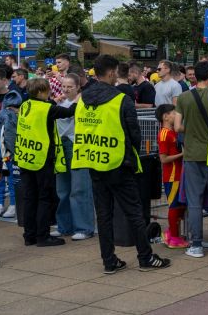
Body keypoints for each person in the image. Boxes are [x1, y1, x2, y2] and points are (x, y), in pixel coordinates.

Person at [73, 55, 170, 273]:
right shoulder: (120, 99)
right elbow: (134, 134)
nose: (117, 76)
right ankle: (145, 258)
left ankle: (109, 261)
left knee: (104, 215)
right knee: (134, 213)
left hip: (94, 161)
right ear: (110, 73)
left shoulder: (82, 99)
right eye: (115, 72)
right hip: (119, 163)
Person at [174, 61, 208, 258]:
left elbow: (177, 127)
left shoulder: (184, 98)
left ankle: (196, 244)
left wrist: (192, 129)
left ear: (195, 76)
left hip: (192, 155)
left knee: (194, 202)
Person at [15, 78, 76, 247]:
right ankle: (43, 236)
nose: (50, 92)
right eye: (48, 90)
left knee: (29, 198)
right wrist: (79, 97)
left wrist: (53, 101)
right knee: (44, 198)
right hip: (42, 160)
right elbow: (70, 111)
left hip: (25, 157)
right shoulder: (47, 109)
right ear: (42, 92)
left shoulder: (26, 105)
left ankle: (30, 235)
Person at [53, 74, 95, 241]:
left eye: (70, 86)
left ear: (78, 87)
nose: (66, 89)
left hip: (78, 145)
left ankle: (84, 227)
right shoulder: (60, 101)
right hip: (61, 146)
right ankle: (64, 226)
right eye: (64, 86)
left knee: (79, 188)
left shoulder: (83, 102)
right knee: (62, 189)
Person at [155, 104, 187, 249]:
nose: (176, 116)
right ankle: (174, 237)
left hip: (178, 174)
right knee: (174, 206)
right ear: (165, 116)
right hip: (172, 176)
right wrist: (182, 154)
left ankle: (172, 233)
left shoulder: (173, 131)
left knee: (180, 205)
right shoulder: (164, 134)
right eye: (173, 113)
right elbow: (163, 158)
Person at [0, 90, 21, 218]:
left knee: (11, 179)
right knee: (0, 177)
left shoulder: (17, 115)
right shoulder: (1, 114)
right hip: (1, 152)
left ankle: (13, 204)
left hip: (10, 154)